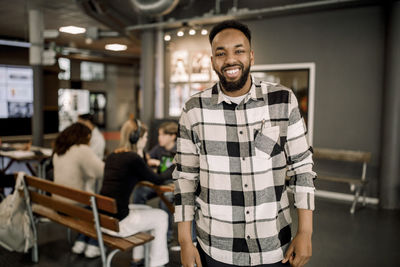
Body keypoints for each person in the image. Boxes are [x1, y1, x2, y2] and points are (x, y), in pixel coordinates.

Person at [173, 20, 316, 267]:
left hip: (273, 246)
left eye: (238, 51)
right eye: (221, 53)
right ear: (212, 61)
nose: (230, 59)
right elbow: (185, 178)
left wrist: (305, 232)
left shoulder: (282, 100)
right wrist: (186, 241)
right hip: (216, 248)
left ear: (251, 56)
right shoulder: (193, 109)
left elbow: (302, 169)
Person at [100, 118, 170, 267]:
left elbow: (141, 169)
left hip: (104, 220)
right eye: (144, 138)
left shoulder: (113, 156)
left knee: (148, 210)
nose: (146, 141)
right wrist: (174, 166)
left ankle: (137, 260)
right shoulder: (132, 158)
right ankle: (157, 264)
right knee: (161, 216)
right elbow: (158, 180)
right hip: (119, 225)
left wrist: (140, 152)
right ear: (136, 138)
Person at [52, 122, 104, 258]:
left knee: (90, 202)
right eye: (89, 138)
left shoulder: (59, 151)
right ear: (85, 137)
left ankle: (81, 241)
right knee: (103, 206)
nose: (90, 142)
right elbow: (101, 172)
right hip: (74, 204)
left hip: (58, 203)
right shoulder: (81, 149)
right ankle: (93, 244)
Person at [133, 121, 179, 243]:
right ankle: (140, 226)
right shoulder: (158, 148)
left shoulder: (179, 149)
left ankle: (166, 235)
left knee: (165, 200)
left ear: (172, 136)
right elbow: (148, 158)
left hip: (173, 184)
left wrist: (158, 163)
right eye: (159, 135)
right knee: (140, 192)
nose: (159, 138)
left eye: (163, 135)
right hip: (159, 181)